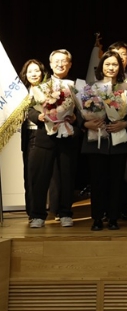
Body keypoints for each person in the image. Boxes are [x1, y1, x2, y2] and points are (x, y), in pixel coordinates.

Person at [27, 49, 79, 228]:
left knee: (67, 177)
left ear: (70, 64)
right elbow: (30, 110)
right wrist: (39, 117)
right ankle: (38, 215)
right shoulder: (41, 86)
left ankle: (65, 213)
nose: (60, 64)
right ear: (50, 64)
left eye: (64, 61)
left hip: (68, 138)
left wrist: (75, 118)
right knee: (40, 177)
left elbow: (86, 109)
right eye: (56, 61)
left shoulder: (77, 86)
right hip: (45, 137)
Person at [80, 51, 127, 231]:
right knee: (97, 182)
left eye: (115, 64)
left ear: (120, 67)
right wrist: (86, 123)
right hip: (96, 141)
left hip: (119, 141)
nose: (111, 68)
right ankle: (97, 218)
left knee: (117, 182)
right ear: (101, 66)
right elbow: (78, 113)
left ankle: (113, 217)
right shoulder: (90, 88)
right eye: (107, 64)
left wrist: (125, 123)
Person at [19, 59, 46, 221]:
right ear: (25, 74)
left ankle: (50, 210)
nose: (34, 74)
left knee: (43, 176)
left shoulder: (48, 89)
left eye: (37, 70)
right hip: (28, 136)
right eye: (30, 71)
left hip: (44, 134)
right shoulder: (21, 92)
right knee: (29, 176)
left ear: (42, 72)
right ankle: (32, 212)